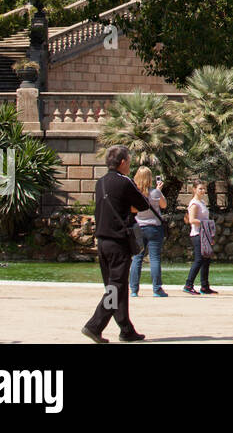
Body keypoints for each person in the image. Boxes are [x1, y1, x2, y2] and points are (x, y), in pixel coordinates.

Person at [82, 145, 153, 342]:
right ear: (122, 162)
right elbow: (143, 205)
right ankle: (94, 325)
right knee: (116, 288)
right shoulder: (125, 182)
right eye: (129, 161)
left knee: (114, 287)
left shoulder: (100, 182)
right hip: (118, 242)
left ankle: (126, 329)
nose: (130, 164)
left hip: (102, 242)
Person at [129, 167, 167, 298]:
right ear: (150, 178)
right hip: (154, 227)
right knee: (155, 258)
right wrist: (159, 190)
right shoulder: (155, 193)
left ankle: (134, 290)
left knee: (137, 258)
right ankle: (157, 289)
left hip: (139, 227)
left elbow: (132, 210)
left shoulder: (135, 194)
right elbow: (164, 205)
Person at [183, 181, 217, 296]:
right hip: (197, 235)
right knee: (199, 260)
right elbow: (192, 220)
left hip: (204, 235)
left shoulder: (202, 202)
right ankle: (188, 285)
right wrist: (206, 223)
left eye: (204, 189)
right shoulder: (194, 204)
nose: (203, 191)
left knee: (206, 260)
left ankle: (205, 286)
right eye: (200, 189)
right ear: (194, 189)